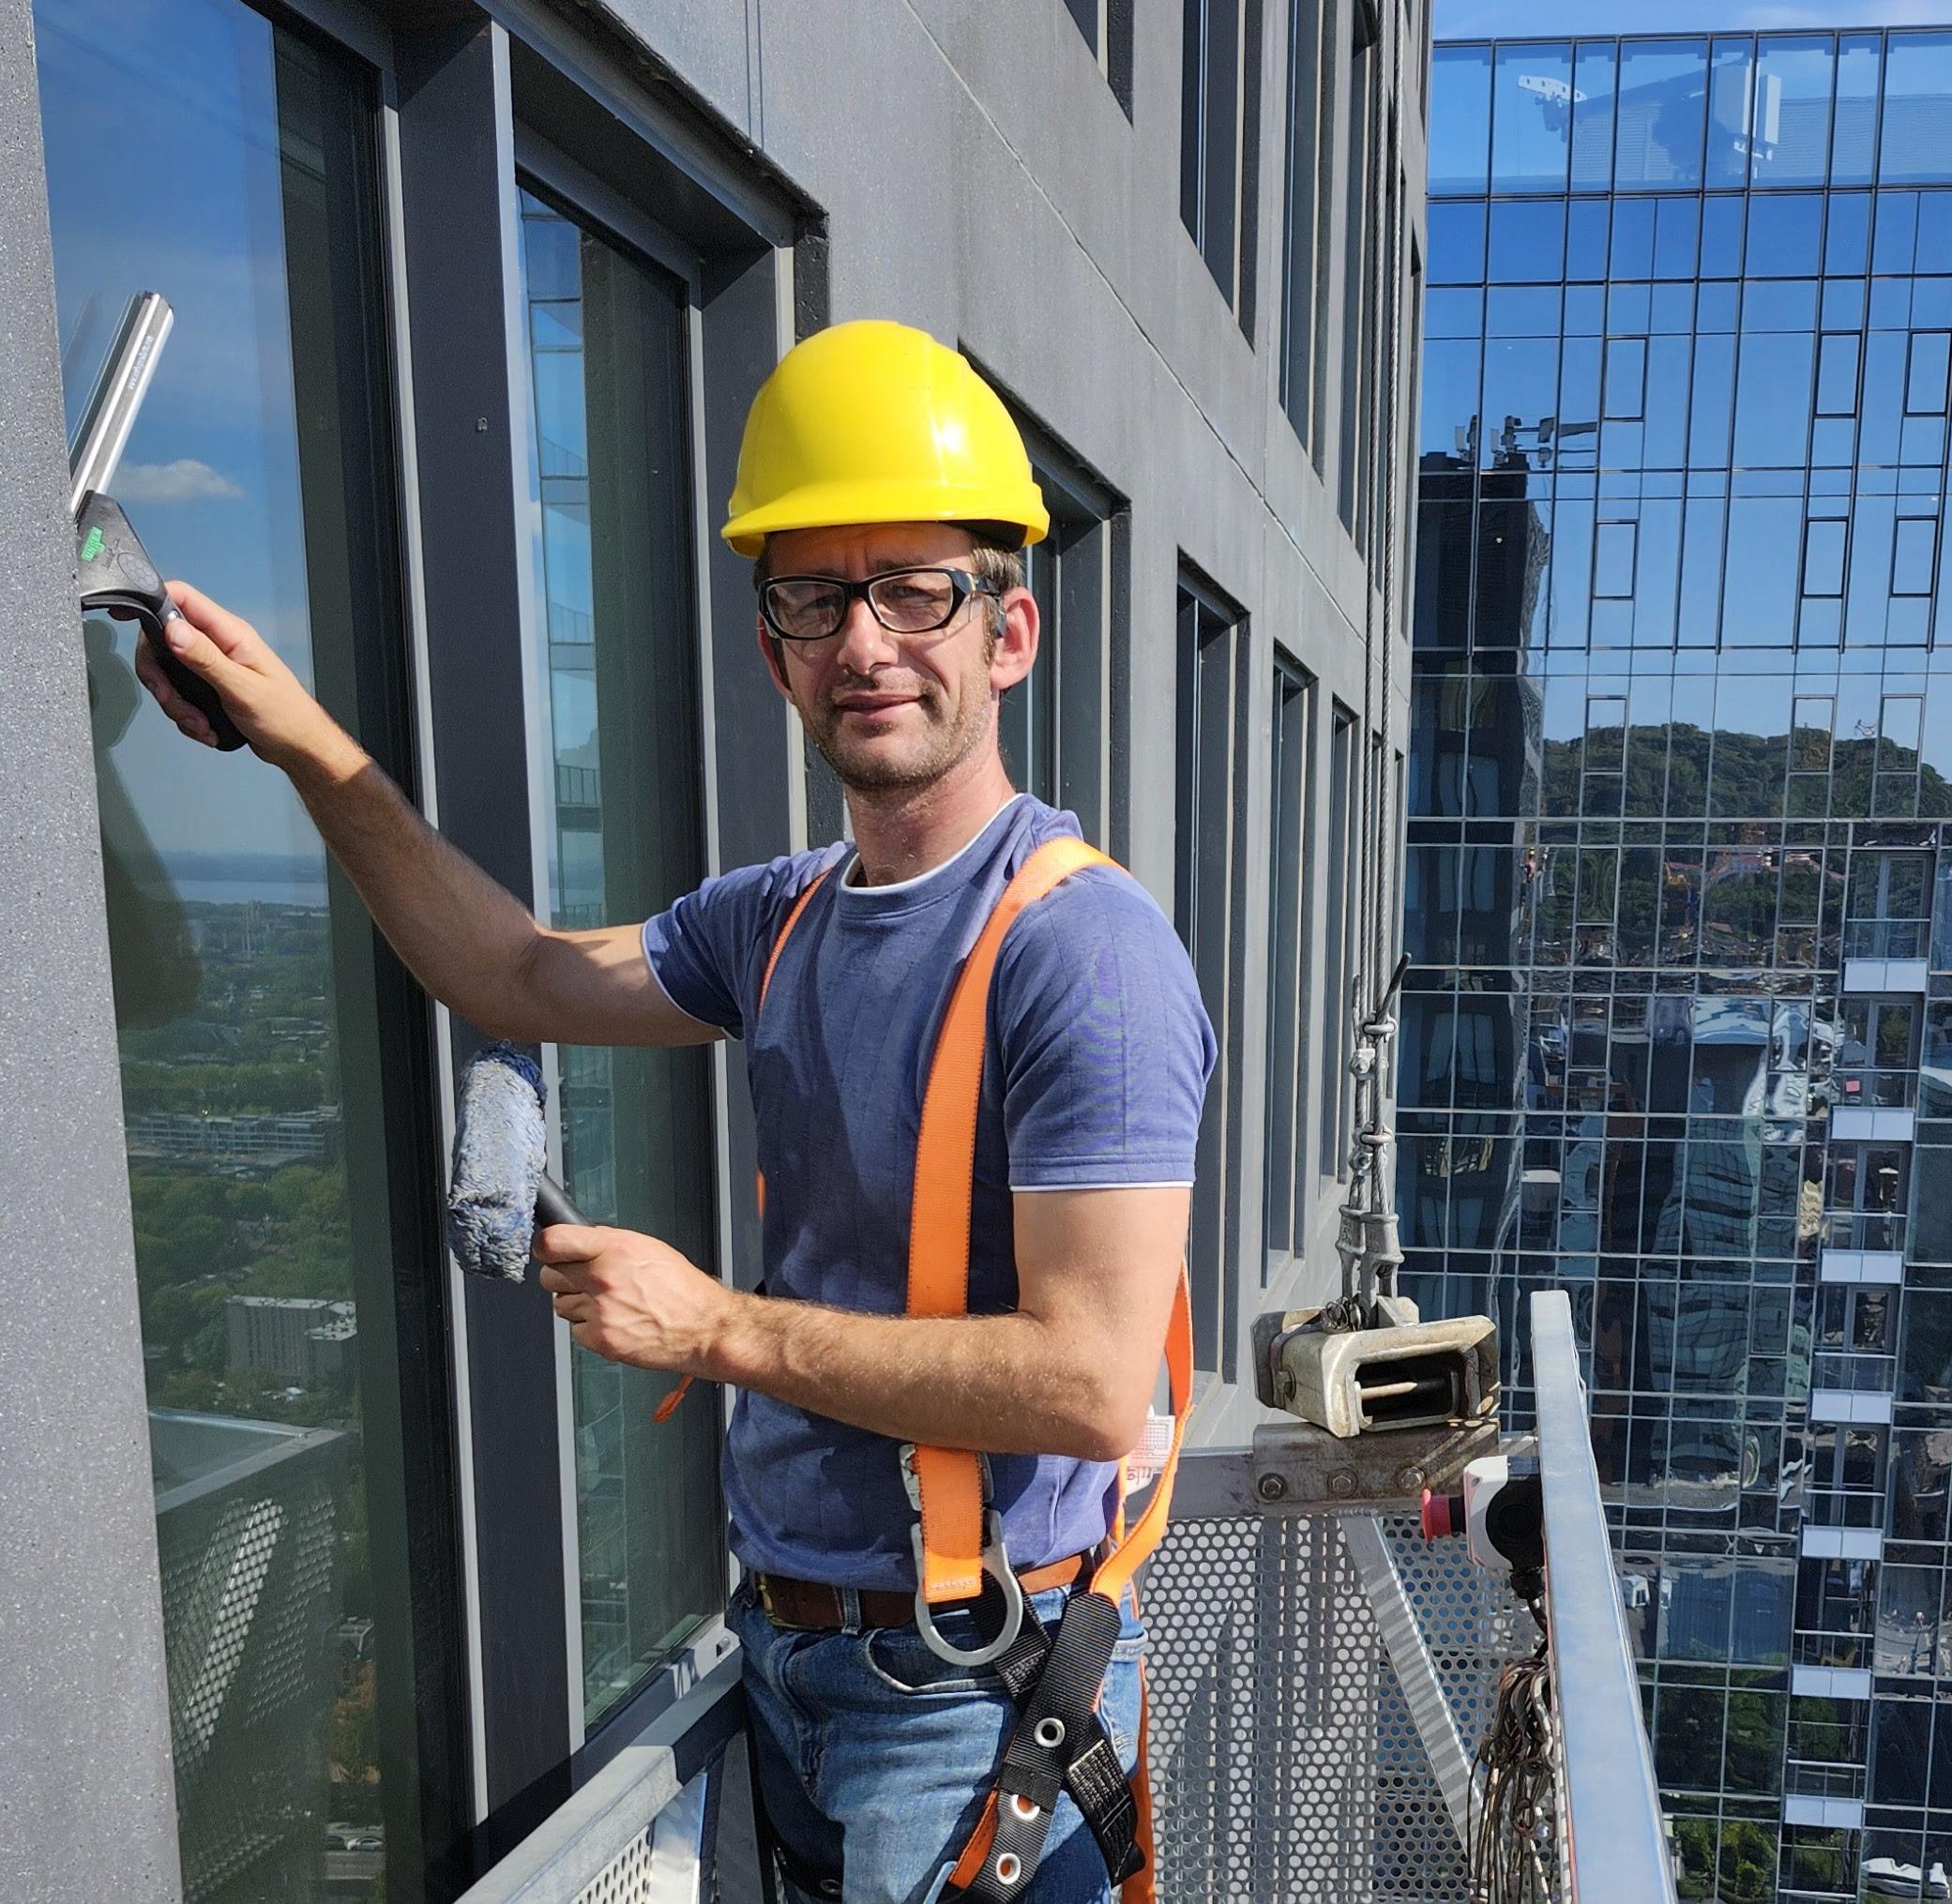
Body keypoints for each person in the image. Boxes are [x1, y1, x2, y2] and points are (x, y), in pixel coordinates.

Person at [136, 318, 1215, 1904]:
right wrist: (299, 741)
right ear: (773, 647)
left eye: (915, 588)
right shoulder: (775, 916)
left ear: (1009, 633)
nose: (865, 642)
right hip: (787, 1660)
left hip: (966, 1699)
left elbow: (1087, 1383)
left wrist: (712, 1327)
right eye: (813, 597)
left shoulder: (1082, 952)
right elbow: (512, 970)